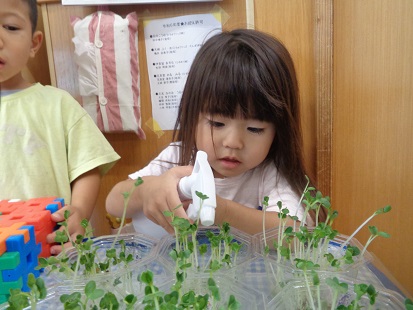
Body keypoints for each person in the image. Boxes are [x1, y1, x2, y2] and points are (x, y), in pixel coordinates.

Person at [106, 28, 325, 239]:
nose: (233, 142)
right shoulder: (178, 157)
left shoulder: (269, 175)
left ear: (279, 130)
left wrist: (221, 211)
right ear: (193, 116)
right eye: (217, 123)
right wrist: (147, 191)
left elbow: (295, 236)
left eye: (255, 129)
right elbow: (113, 202)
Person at [0, 0, 120, 254]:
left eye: (10, 27)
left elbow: (88, 167)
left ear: (34, 44)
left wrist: (77, 211)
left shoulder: (58, 104)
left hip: (53, 253)